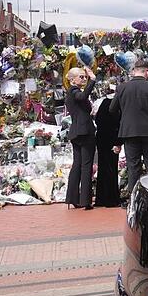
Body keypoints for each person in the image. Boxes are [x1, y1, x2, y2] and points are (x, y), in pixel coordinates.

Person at [111, 60, 148, 194]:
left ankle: (133, 196)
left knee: (133, 166)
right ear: (147, 71)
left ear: (134, 71)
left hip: (129, 131)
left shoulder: (122, 88)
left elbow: (112, 109)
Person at [65, 66, 96, 209]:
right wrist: (92, 80)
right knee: (86, 165)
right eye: (81, 77)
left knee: (77, 164)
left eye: (85, 77)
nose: (84, 79)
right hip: (84, 132)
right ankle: (85, 200)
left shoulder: (72, 92)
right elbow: (82, 97)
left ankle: (73, 198)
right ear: (72, 80)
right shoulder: (74, 91)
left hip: (77, 132)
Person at [93, 89, 121, 207]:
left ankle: (101, 198)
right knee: (111, 169)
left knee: (103, 168)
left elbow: (98, 120)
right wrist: (118, 142)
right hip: (112, 139)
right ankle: (111, 199)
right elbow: (119, 124)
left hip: (101, 138)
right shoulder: (117, 107)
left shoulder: (104, 103)